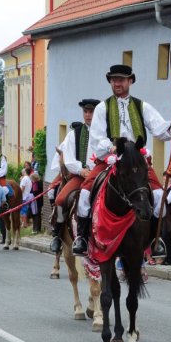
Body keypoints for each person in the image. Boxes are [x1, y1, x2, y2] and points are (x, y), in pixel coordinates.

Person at [73, 65, 171, 256]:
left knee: (159, 195)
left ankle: (155, 239)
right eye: (114, 79)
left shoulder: (142, 106)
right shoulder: (103, 107)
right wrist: (109, 147)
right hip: (110, 158)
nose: (117, 83)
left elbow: (160, 129)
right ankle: (83, 238)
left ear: (130, 81)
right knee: (85, 193)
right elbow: (96, 137)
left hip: (137, 161)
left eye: (121, 79)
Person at [48, 99, 96, 252]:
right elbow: (68, 158)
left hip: (100, 174)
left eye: (91, 112)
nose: (88, 115)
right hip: (80, 175)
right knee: (61, 199)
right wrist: (81, 170)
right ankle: (57, 234)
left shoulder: (106, 132)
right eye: (85, 112)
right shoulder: (73, 134)